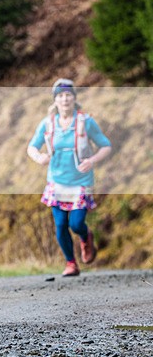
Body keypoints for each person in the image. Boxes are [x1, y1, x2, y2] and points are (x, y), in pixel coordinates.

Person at [27, 79, 112, 277]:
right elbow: (32, 147)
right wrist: (39, 157)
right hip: (56, 181)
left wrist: (92, 160)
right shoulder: (48, 123)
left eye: (68, 95)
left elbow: (105, 145)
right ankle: (71, 263)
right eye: (60, 96)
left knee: (75, 223)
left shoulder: (85, 121)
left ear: (74, 98)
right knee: (60, 224)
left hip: (81, 181)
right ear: (55, 100)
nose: (64, 99)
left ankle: (85, 235)